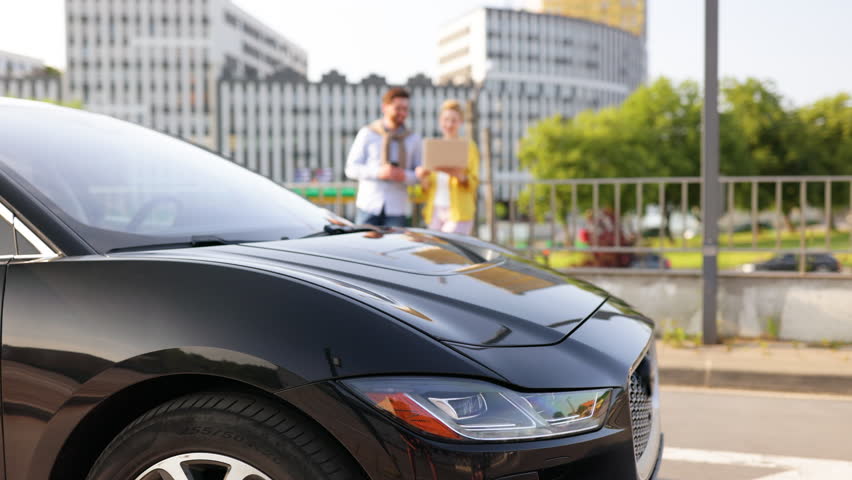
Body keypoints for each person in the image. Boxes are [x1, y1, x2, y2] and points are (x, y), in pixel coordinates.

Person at [345, 87, 422, 227]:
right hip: (368, 206)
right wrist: (379, 172)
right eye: (398, 108)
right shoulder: (367, 133)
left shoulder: (414, 139)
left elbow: (420, 174)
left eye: (405, 109)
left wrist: (404, 176)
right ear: (385, 107)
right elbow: (351, 169)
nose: (402, 113)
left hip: (397, 208)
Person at [415, 99, 479, 235]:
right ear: (440, 121)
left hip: (459, 211)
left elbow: (474, 183)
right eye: (446, 119)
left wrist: (460, 176)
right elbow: (426, 188)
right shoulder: (433, 148)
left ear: (460, 122)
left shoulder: (469, 147)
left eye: (454, 120)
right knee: (435, 251)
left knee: (451, 253)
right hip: (436, 210)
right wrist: (422, 177)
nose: (449, 124)